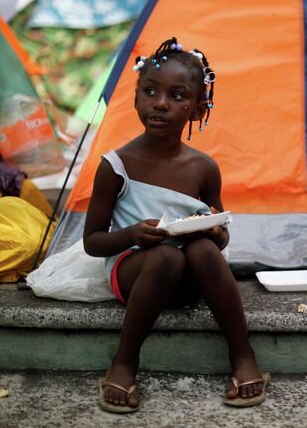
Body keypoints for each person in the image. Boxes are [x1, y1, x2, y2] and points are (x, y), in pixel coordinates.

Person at [84, 37, 268, 413]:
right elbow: (93, 241)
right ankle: (124, 362)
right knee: (166, 257)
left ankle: (242, 355)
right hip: (135, 270)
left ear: (199, 110)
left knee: (200, 248)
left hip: (189, 280)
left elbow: (221, 233)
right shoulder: (115, 167)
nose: (161, 104)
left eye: (178, 96)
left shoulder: (203, 167)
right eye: (150, 91)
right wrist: (132, 234)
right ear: (136, 97)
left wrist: (214, 232)